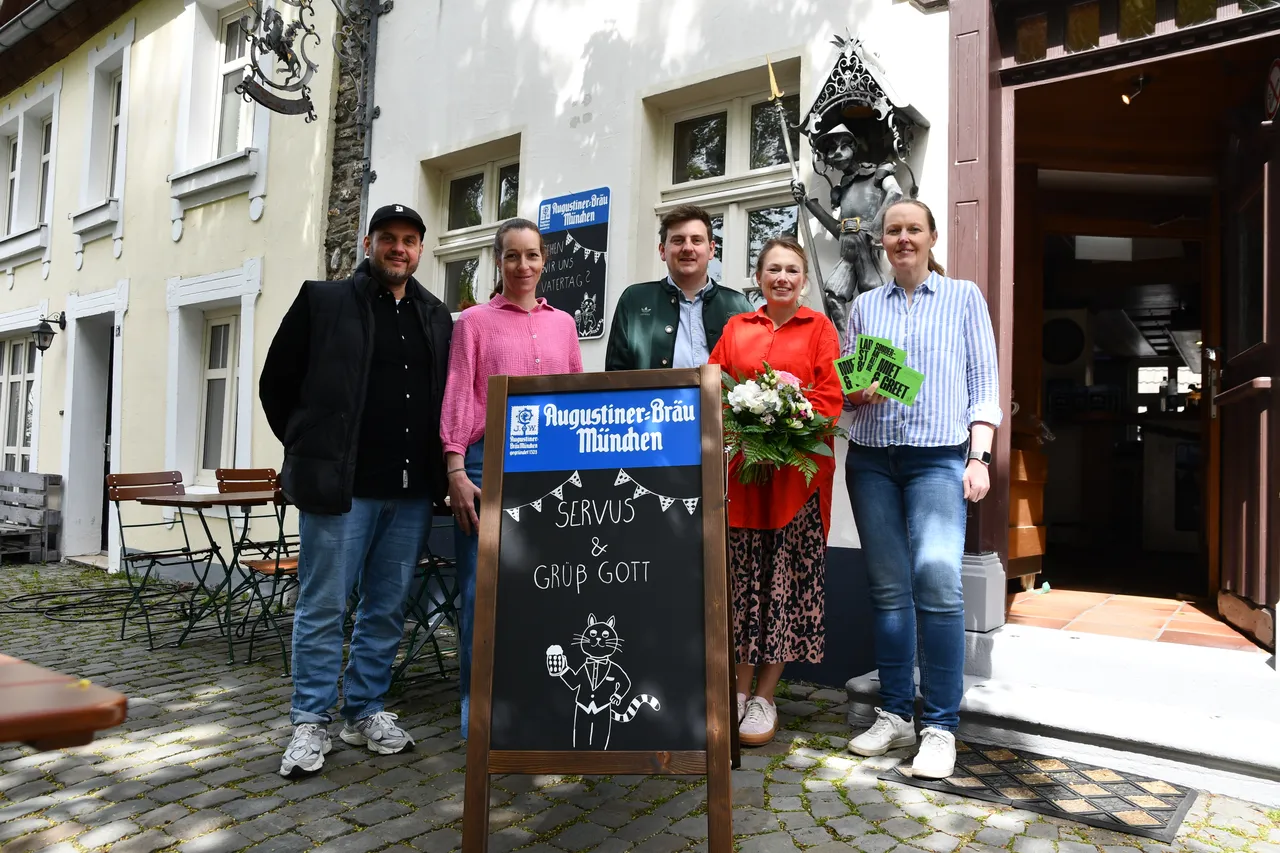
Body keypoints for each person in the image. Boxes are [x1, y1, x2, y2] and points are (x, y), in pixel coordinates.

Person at [260, 203, 454, 777]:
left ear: (420, 249)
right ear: (368, 242)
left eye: (410, 241)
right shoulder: (323, 302)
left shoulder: (437, 316)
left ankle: (365, 709)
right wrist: (309, 442)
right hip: (342, 491)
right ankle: (310, 721)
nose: (399, 249)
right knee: (323, 607)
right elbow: (277, 383)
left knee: (386, 609)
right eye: (389, 239)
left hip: (412, 492)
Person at [842, 199, 1001, 780]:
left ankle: (938, 726)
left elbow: (984, 384)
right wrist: (859, 391)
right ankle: (894, 714)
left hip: (938, 458)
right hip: (871, 460)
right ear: (881, 241)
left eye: (913, 229)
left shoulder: (963, 298)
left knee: (937, 577)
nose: (903, 239)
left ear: (932, 237)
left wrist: (978, 456)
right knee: (887, 589)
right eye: (893, 231)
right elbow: (848, 385)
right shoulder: (863, 306)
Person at [442, 217, 584, 739]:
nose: (523, 266)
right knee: (483, 591)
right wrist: (455, 467)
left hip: (549, 464)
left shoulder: (563, 324)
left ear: (544, 261)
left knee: (544, 587)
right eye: (512, 257)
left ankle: (536, 698)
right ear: (497, 263)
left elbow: (573, 396)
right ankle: (478, 710)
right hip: (485, 463)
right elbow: (459, 395)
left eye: (532, 256)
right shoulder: (473, 322)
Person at [707, 236, 843, 746]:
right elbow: (713, 386)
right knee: (742, 591)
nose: (782, 277)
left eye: (792, 270)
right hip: (743, 483)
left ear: (803, 280)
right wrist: (742, 419)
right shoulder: (737, 326)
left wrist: (783, 420)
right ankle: (736, 693)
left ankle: (765, 696)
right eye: (773, 269)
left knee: (784, 591)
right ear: (759, 278)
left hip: (795, 487)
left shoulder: (820, 328)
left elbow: (829, 398)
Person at [605, 203, 753, 371]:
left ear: (711, 250)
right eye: (678, 240)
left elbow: (754, 371)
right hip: (654, 398)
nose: (688, 248)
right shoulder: (634, 300)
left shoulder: (738, 306)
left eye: (696, 240)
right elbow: (615, 375)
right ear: (662, 251)